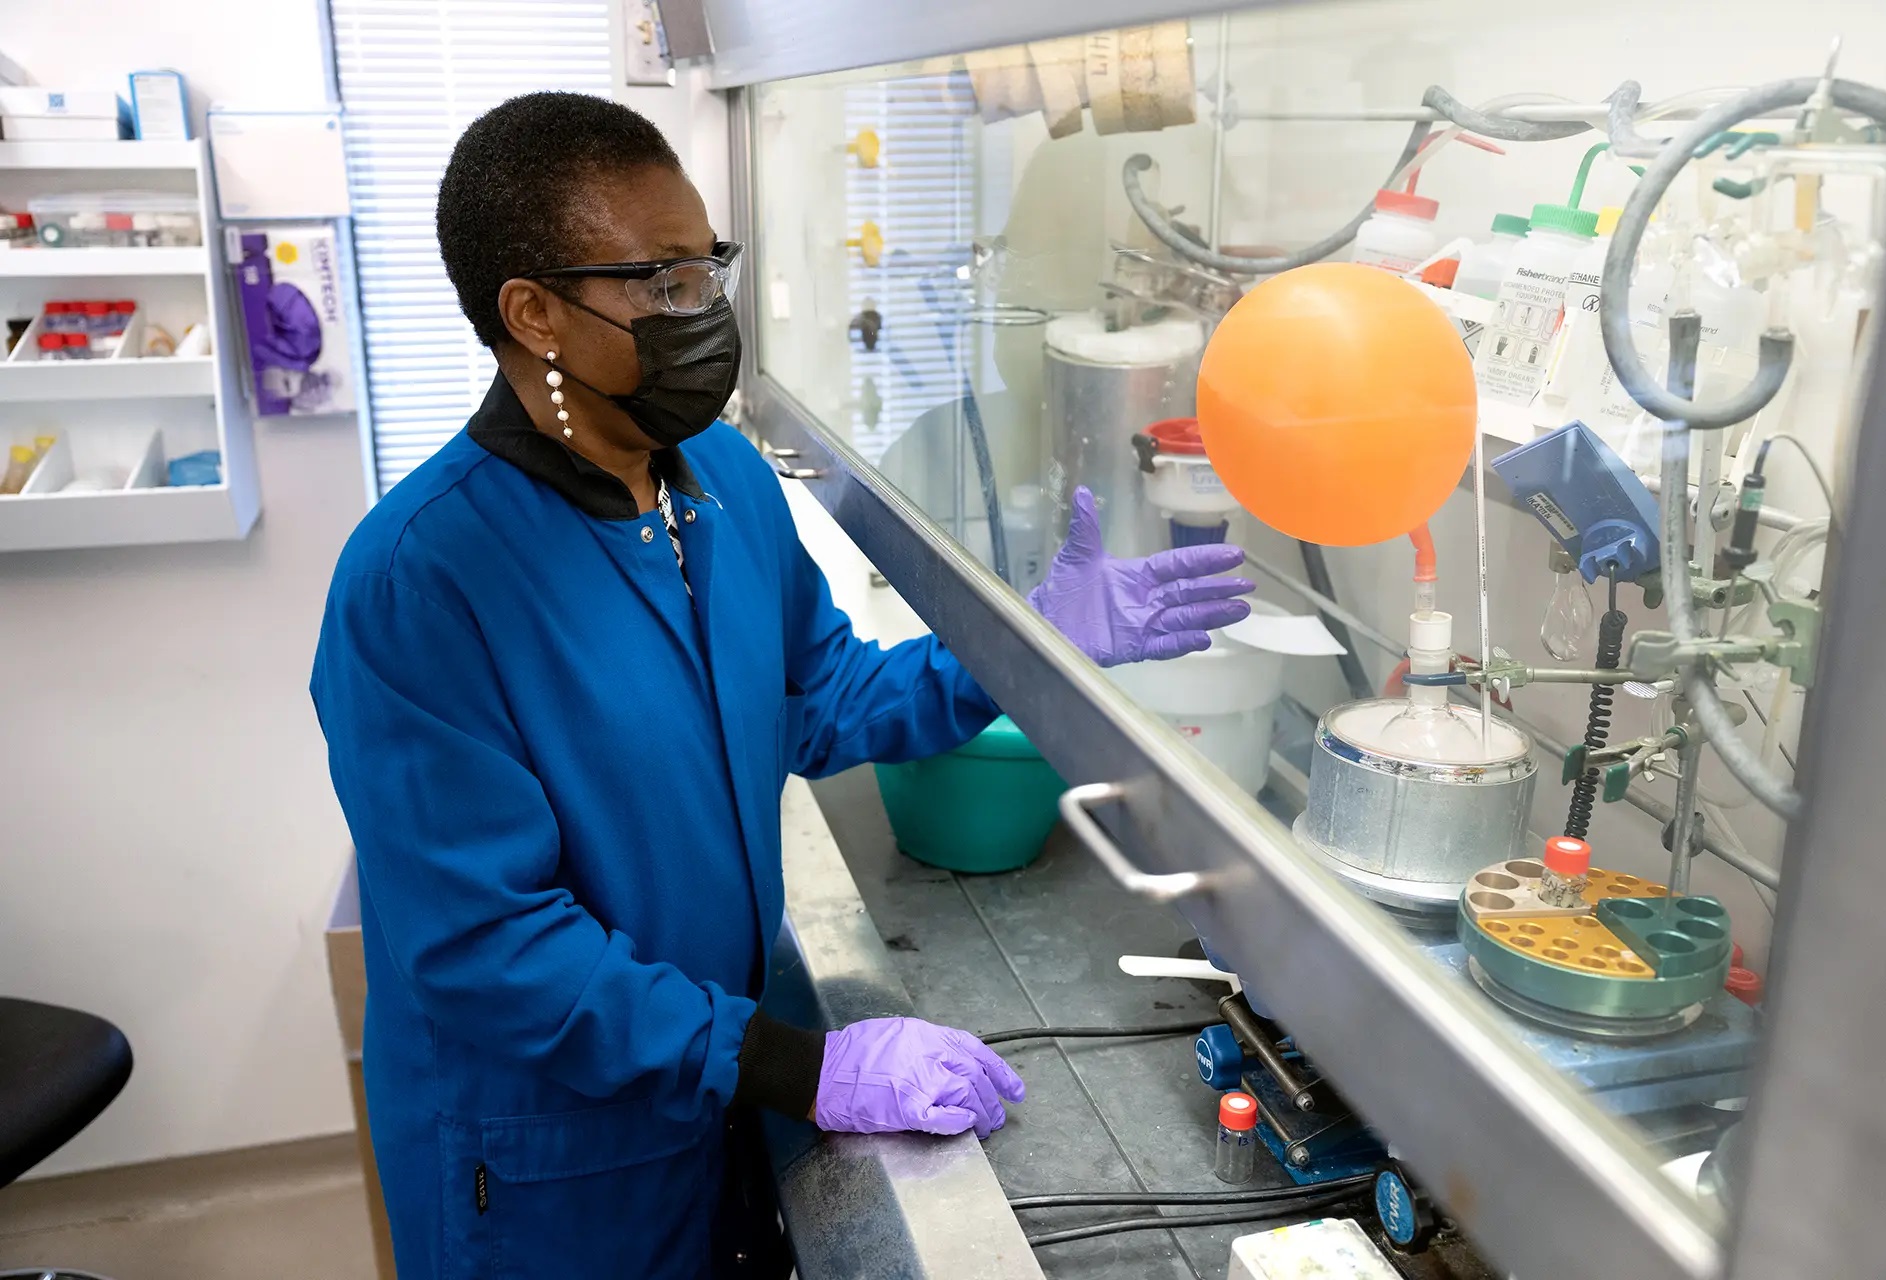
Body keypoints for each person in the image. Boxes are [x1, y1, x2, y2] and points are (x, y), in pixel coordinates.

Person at [310, 92, 1254, 1279]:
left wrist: (1022, 644)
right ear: (534, 313)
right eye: (660, 283)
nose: (703, 310)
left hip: (705, 1108)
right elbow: (491, 949)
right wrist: (805, 1068)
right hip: (550, 1171)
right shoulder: (419, 581)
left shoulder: (720, 479)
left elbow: (825, 698)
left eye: (707, 268)